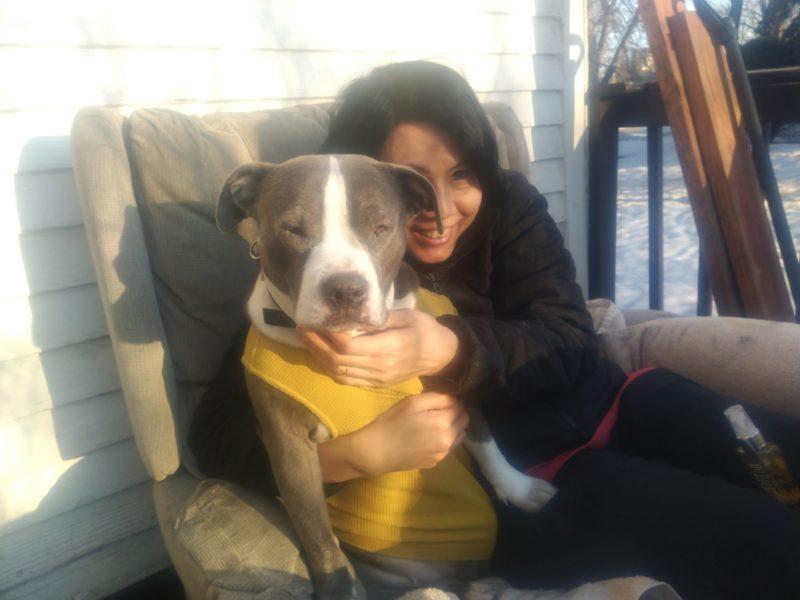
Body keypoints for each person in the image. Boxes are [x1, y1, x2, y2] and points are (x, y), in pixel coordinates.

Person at [190, 60, 800, 600]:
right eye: (415, 180)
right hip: (537, 477)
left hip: (620, 398)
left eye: (462, 174)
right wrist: (348, 458)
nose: (438, 207)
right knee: (761, 540)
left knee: (777, 455)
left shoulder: (510, 206)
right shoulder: (294, 300)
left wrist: (451, 345)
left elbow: (567, 337)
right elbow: (217, 434)